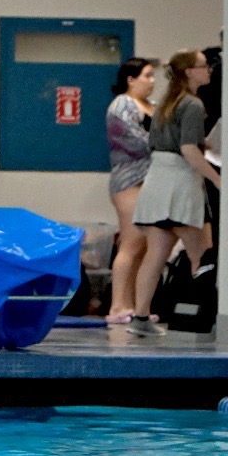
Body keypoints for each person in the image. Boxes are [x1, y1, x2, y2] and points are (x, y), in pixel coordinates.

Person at [130, 49, 221, 336]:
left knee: (156, 253)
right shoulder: (193, 105)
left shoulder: (165, 104)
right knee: (201, 253)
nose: (209, 70)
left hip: (157, 181)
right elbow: (188, 151)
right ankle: (198, 314)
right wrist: (218, 180)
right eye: (204, 66)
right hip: (181, 183)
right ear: (189, 72)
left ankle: (140, 317)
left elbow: (165, 144)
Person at [104, 57, 157, 325]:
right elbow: (134, 140)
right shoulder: (122, 105)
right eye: (147, 75)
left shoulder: (154, 107)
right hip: (128, 180)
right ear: (131, 79)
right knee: (131, 241)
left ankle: (135, 305)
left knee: (146, 245)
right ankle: (117, 306)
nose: (152, 81)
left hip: (151, 181)